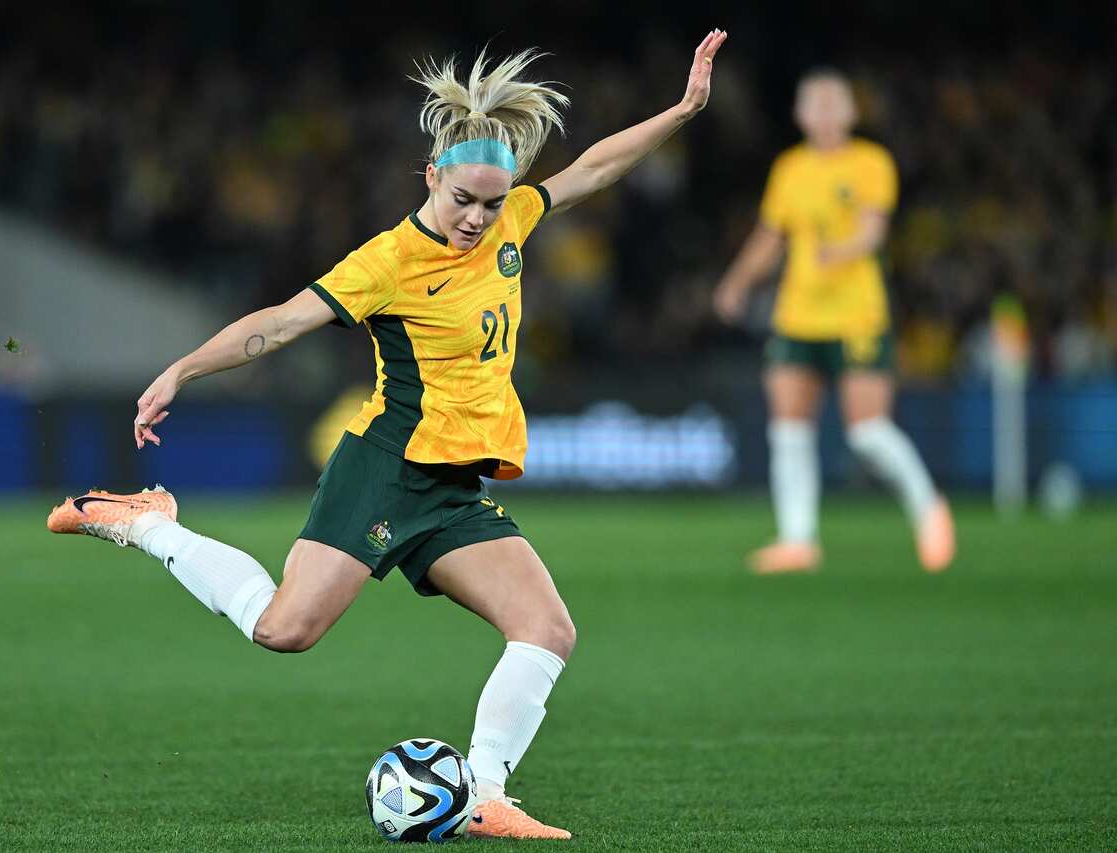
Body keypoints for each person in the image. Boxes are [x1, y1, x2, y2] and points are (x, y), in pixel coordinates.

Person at [48, 30, 728, 840]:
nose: (479, 217)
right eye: (464, 200)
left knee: (548, 629)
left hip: (451, 486)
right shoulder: (388, 261)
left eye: (492, 200)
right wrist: (182, 371)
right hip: (384, 468)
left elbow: (596, 169)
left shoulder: (513, 218)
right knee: (283, 630)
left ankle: (483, 794)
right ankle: (149, 524)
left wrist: (684, 109)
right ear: (431, 176)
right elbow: (283, 322)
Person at [713, 68, 954, 575]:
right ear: (800, 114)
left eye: (832, 103)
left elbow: (872, 231)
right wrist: (736, 283)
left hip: (856, 315)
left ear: (851, 111)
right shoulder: (790, 168)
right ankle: (798, 539)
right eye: (813, 104)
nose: (823, 113)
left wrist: (837, 251)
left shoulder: (870, 162)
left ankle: (928, 507)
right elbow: (770, 237)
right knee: (789, 428)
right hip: (797, 315)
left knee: (867, 433)